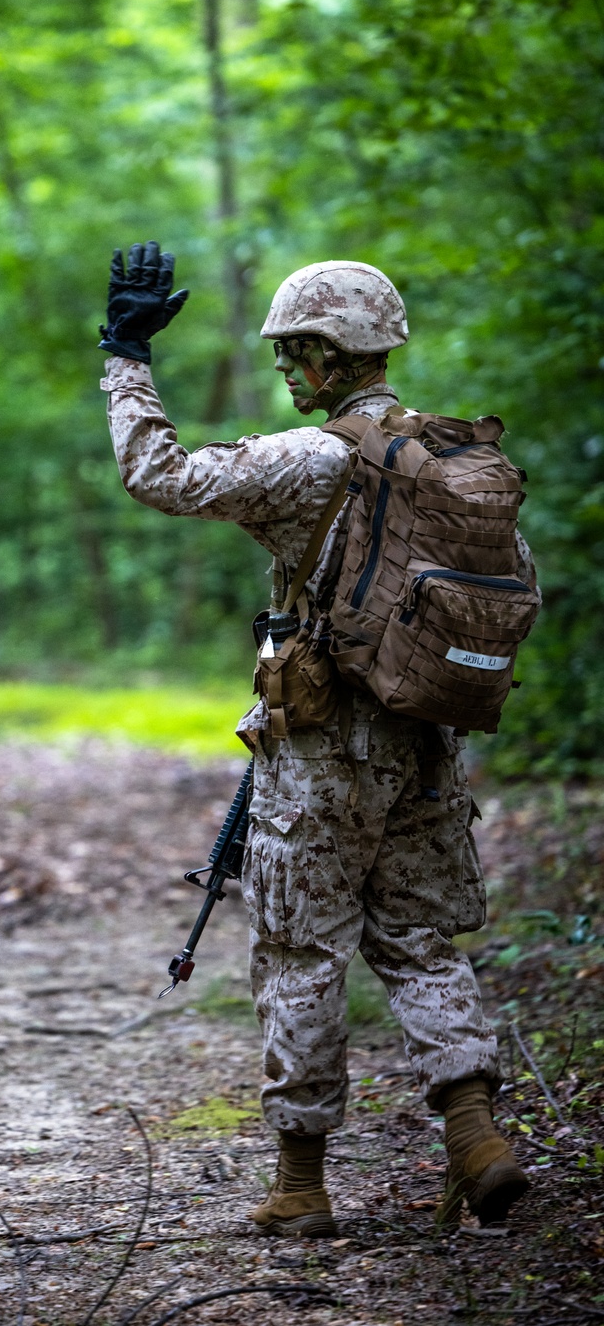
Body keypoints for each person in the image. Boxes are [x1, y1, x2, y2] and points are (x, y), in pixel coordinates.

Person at [98, 242, 533, 1237]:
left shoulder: (310, 459)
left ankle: (300, 1184)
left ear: (329, 356)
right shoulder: (459, 461)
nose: (288, 371)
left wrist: (126, 355)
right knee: (419, 941)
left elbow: (155, 472)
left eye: (295, 352)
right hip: (426, 741)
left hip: (321, 748)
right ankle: (475, 1137)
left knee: (299, 950)